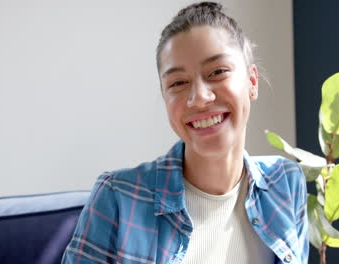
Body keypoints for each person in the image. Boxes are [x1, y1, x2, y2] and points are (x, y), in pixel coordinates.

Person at [62, 2, 308, 264]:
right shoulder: (118, 198)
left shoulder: (286, 183)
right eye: (178, 83)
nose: (199, 98)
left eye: (217, 72)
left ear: (252, 82)